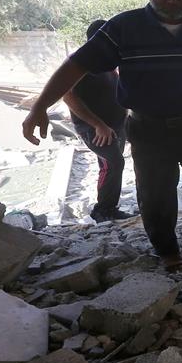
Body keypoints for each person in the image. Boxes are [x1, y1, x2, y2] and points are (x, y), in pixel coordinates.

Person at [22, 0, 182, 295]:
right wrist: (40, 107)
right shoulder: (123, 28)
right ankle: (168, 252)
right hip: (148, 128)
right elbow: (75, 66)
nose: (174, 1)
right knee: (155, 196)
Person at [62, 19, 134, 223]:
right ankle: (102, 210)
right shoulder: (81, 63)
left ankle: (110, 208)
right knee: (114, 163)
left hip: (115, 124)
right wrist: (98, 125)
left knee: (110, 165)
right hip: (94, 128)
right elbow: (67, 95)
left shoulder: (108, 62)